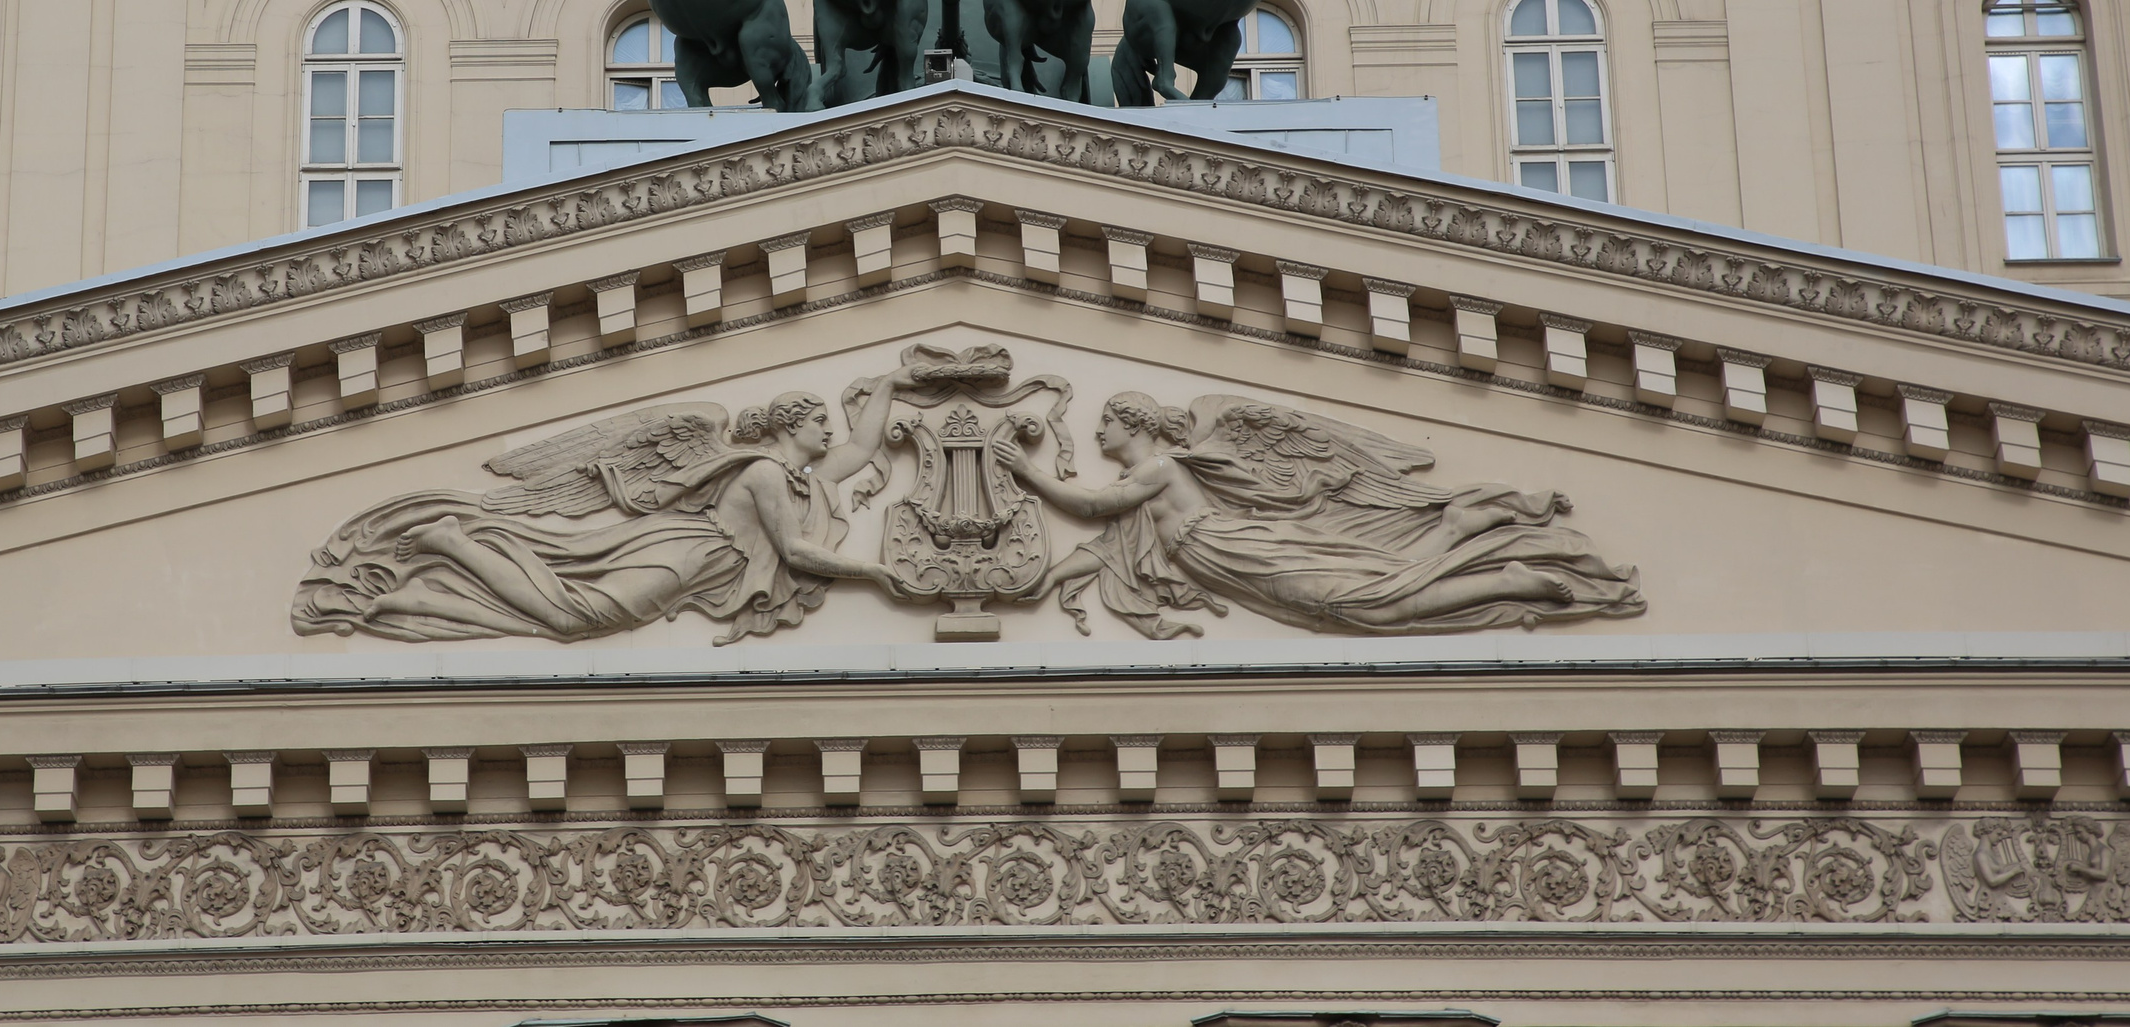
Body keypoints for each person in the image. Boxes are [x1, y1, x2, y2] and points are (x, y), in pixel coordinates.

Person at [292, 363, 927, 645]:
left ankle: (430, 591)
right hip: (686, 555)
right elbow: (794, 550)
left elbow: (867, 442)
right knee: (575, 620)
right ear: (795, 426)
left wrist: (894, 382)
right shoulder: (765, 471)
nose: (831, 435)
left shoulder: (805, 476)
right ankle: (452, 542)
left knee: (567, 612)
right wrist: (872, 572)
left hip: (696, 564)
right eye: (822, 424)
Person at [996, 391, 1642, 637]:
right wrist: (1043, 582)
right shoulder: (1147, 484)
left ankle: (1506, 576)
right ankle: (1453, 532)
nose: (1099, 431)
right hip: (1224, 557)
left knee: (1361, 603)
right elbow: (1109, 542)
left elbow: (1091, 505)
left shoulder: (1159, 469)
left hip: (1235, 547)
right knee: (1362, 596)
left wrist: (1025, 471)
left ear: (1131, 424)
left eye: (1105, 421)